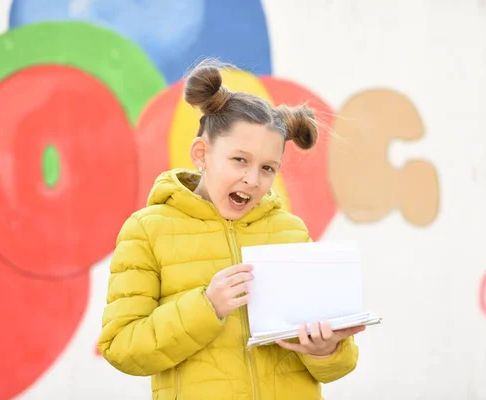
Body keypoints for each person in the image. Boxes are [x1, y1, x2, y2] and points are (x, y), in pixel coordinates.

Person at [98, 59, 365, 400]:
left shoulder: (291, 232)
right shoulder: (147, 231)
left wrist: (326, 349)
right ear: (202, 154)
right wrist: (206, 307)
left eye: (268, 168)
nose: (253, 180)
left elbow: (336, 367)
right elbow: (121, 347)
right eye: (240, 160)